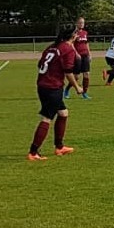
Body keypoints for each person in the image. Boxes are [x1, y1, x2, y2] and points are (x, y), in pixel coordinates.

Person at [28, 26, 82, 160]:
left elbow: (40, 64)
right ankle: (33, 152)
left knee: (63, 113)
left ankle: (59, 147)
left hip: (43, 85)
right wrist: (77, 87)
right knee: (46, 118)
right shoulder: (67, 49)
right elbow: (68, 71)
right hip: (52, 87)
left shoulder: (52, 46)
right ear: (73, 36)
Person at [64, 15, 93, 100]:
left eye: (83, 23)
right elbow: (71, 43)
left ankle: (85, 93)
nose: (82, 24)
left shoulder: (85, 33)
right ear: (77, 23)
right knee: (76, 77)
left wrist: (89, 54)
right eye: (80, 23)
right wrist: (76, 53)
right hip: (77, 57)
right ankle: (67, 90)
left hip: (85, 55)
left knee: (86, 74)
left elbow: (86, 43)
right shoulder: (74, 33)